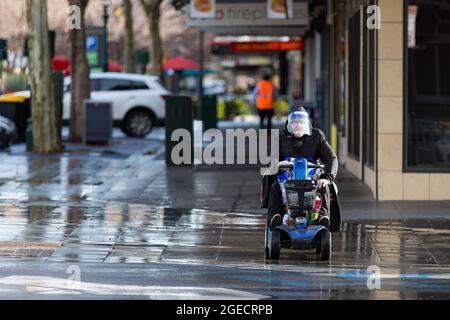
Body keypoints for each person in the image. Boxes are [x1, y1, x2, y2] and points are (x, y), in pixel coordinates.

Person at [267, 107, 338, 229]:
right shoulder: (281, 136)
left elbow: (331, 157)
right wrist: (277, 165)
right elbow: (272, 158)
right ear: (289, 124)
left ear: (306, 123)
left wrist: (327, 177)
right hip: (286, 175)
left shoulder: (317, 135)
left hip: (312, 175)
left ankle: (323, 217)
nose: (298, 125)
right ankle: (276, 217)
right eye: (294, 122)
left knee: (324, 185)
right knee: (275, 185)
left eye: (301, 122)